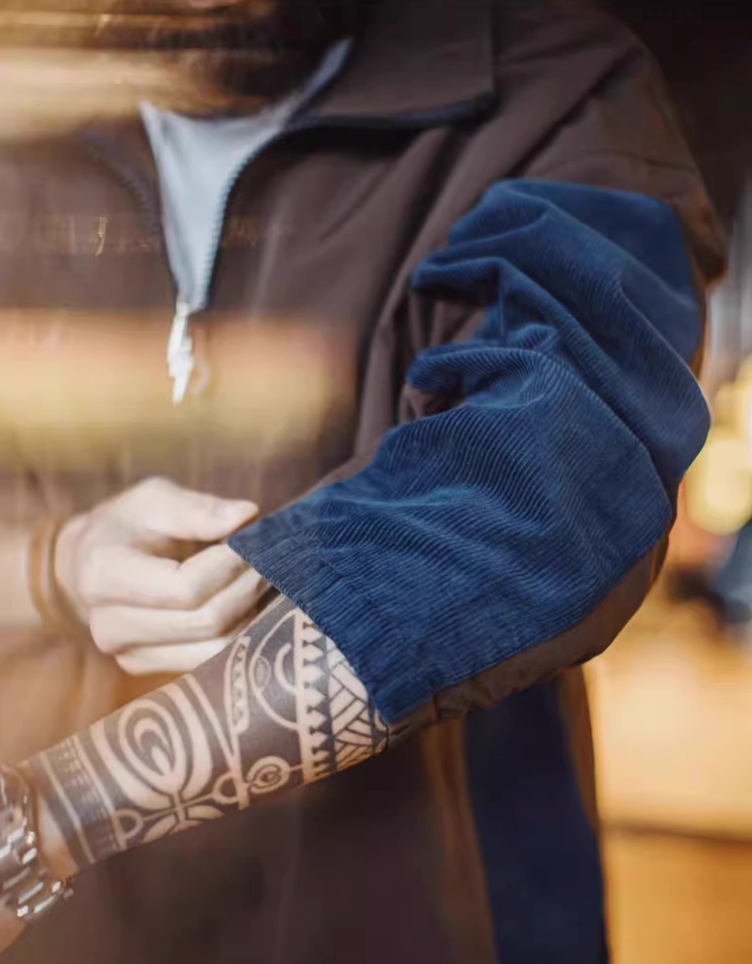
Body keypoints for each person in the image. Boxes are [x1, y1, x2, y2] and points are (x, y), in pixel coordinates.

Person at [0, 1, 726, 962]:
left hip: (424, 916)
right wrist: (50, 565)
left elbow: (551, 476)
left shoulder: (557, 83)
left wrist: (43, 817)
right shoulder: (30, 105)